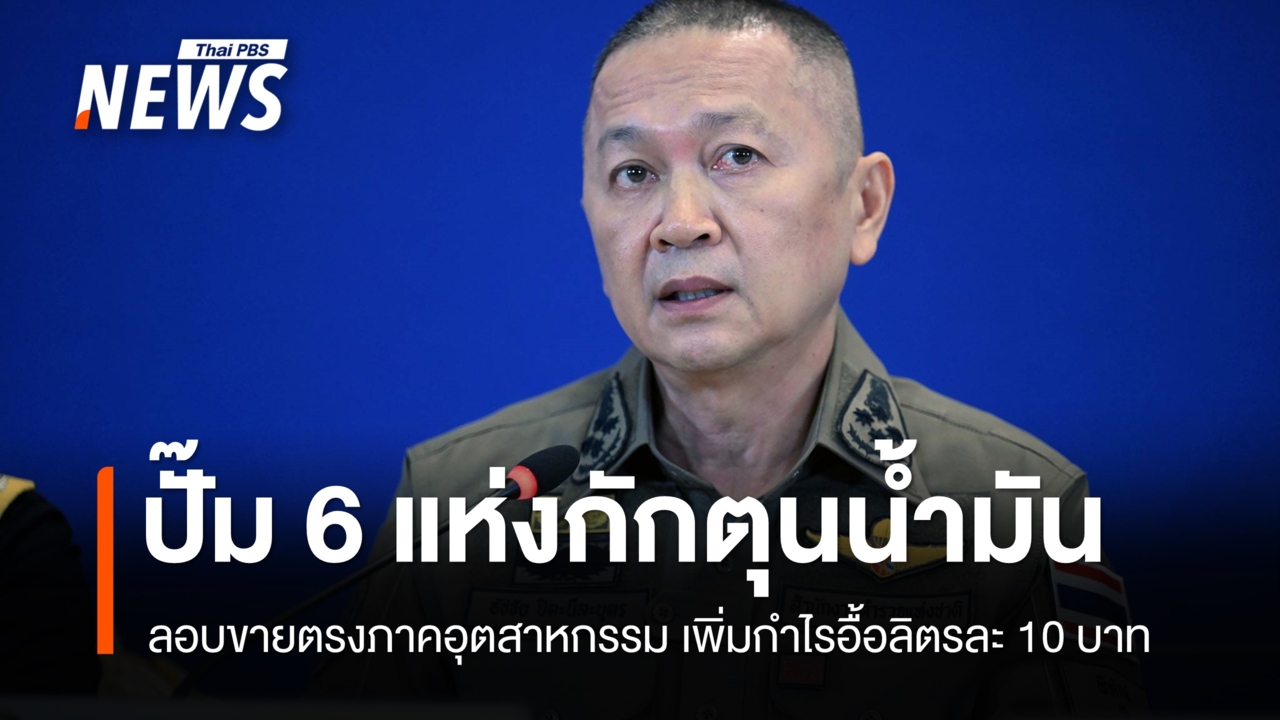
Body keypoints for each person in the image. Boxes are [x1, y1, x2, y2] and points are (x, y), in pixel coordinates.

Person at [313, 1, 1148, 716]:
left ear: (864, 205)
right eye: (632, 172)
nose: (680, 222)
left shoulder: (1019, 509)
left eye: (737, 157)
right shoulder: (460, 503)